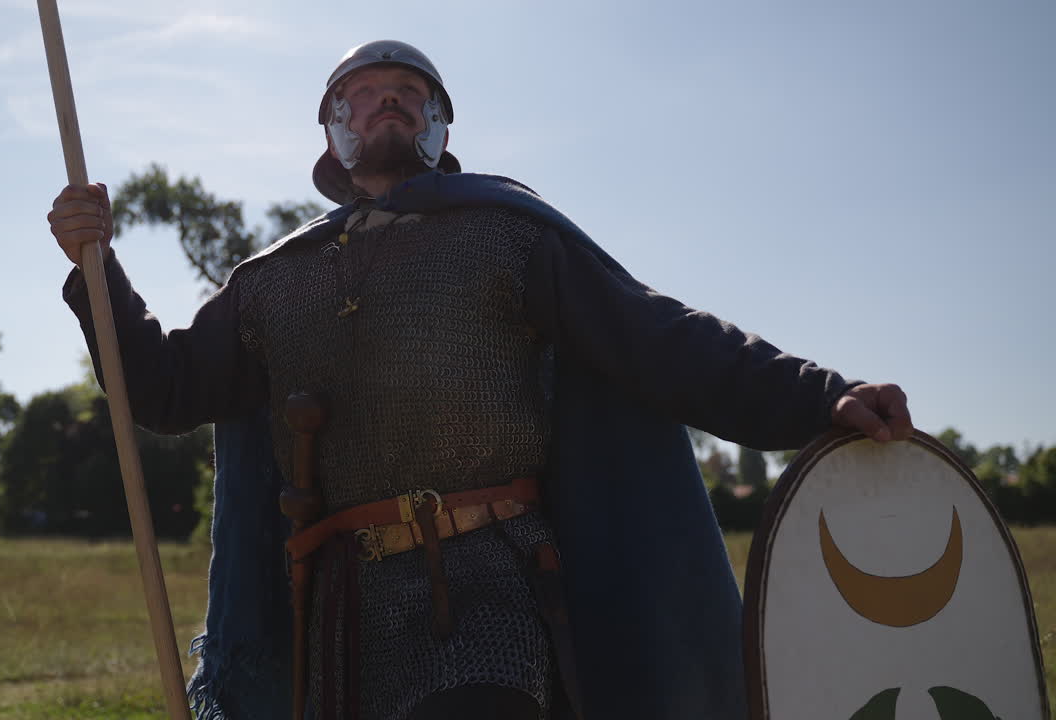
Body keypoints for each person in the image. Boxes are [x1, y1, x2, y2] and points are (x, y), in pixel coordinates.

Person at [49, 40, 912, 720]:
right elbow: (163, 390)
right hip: (338, 613)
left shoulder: (506, 232)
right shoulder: (275, 279)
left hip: (488, 588)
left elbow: (658, 335)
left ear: (439, 129)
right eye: (366, 91)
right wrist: (99, 270)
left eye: (410, 93)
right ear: (333, 129)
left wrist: (814, 394)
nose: (389, 98)